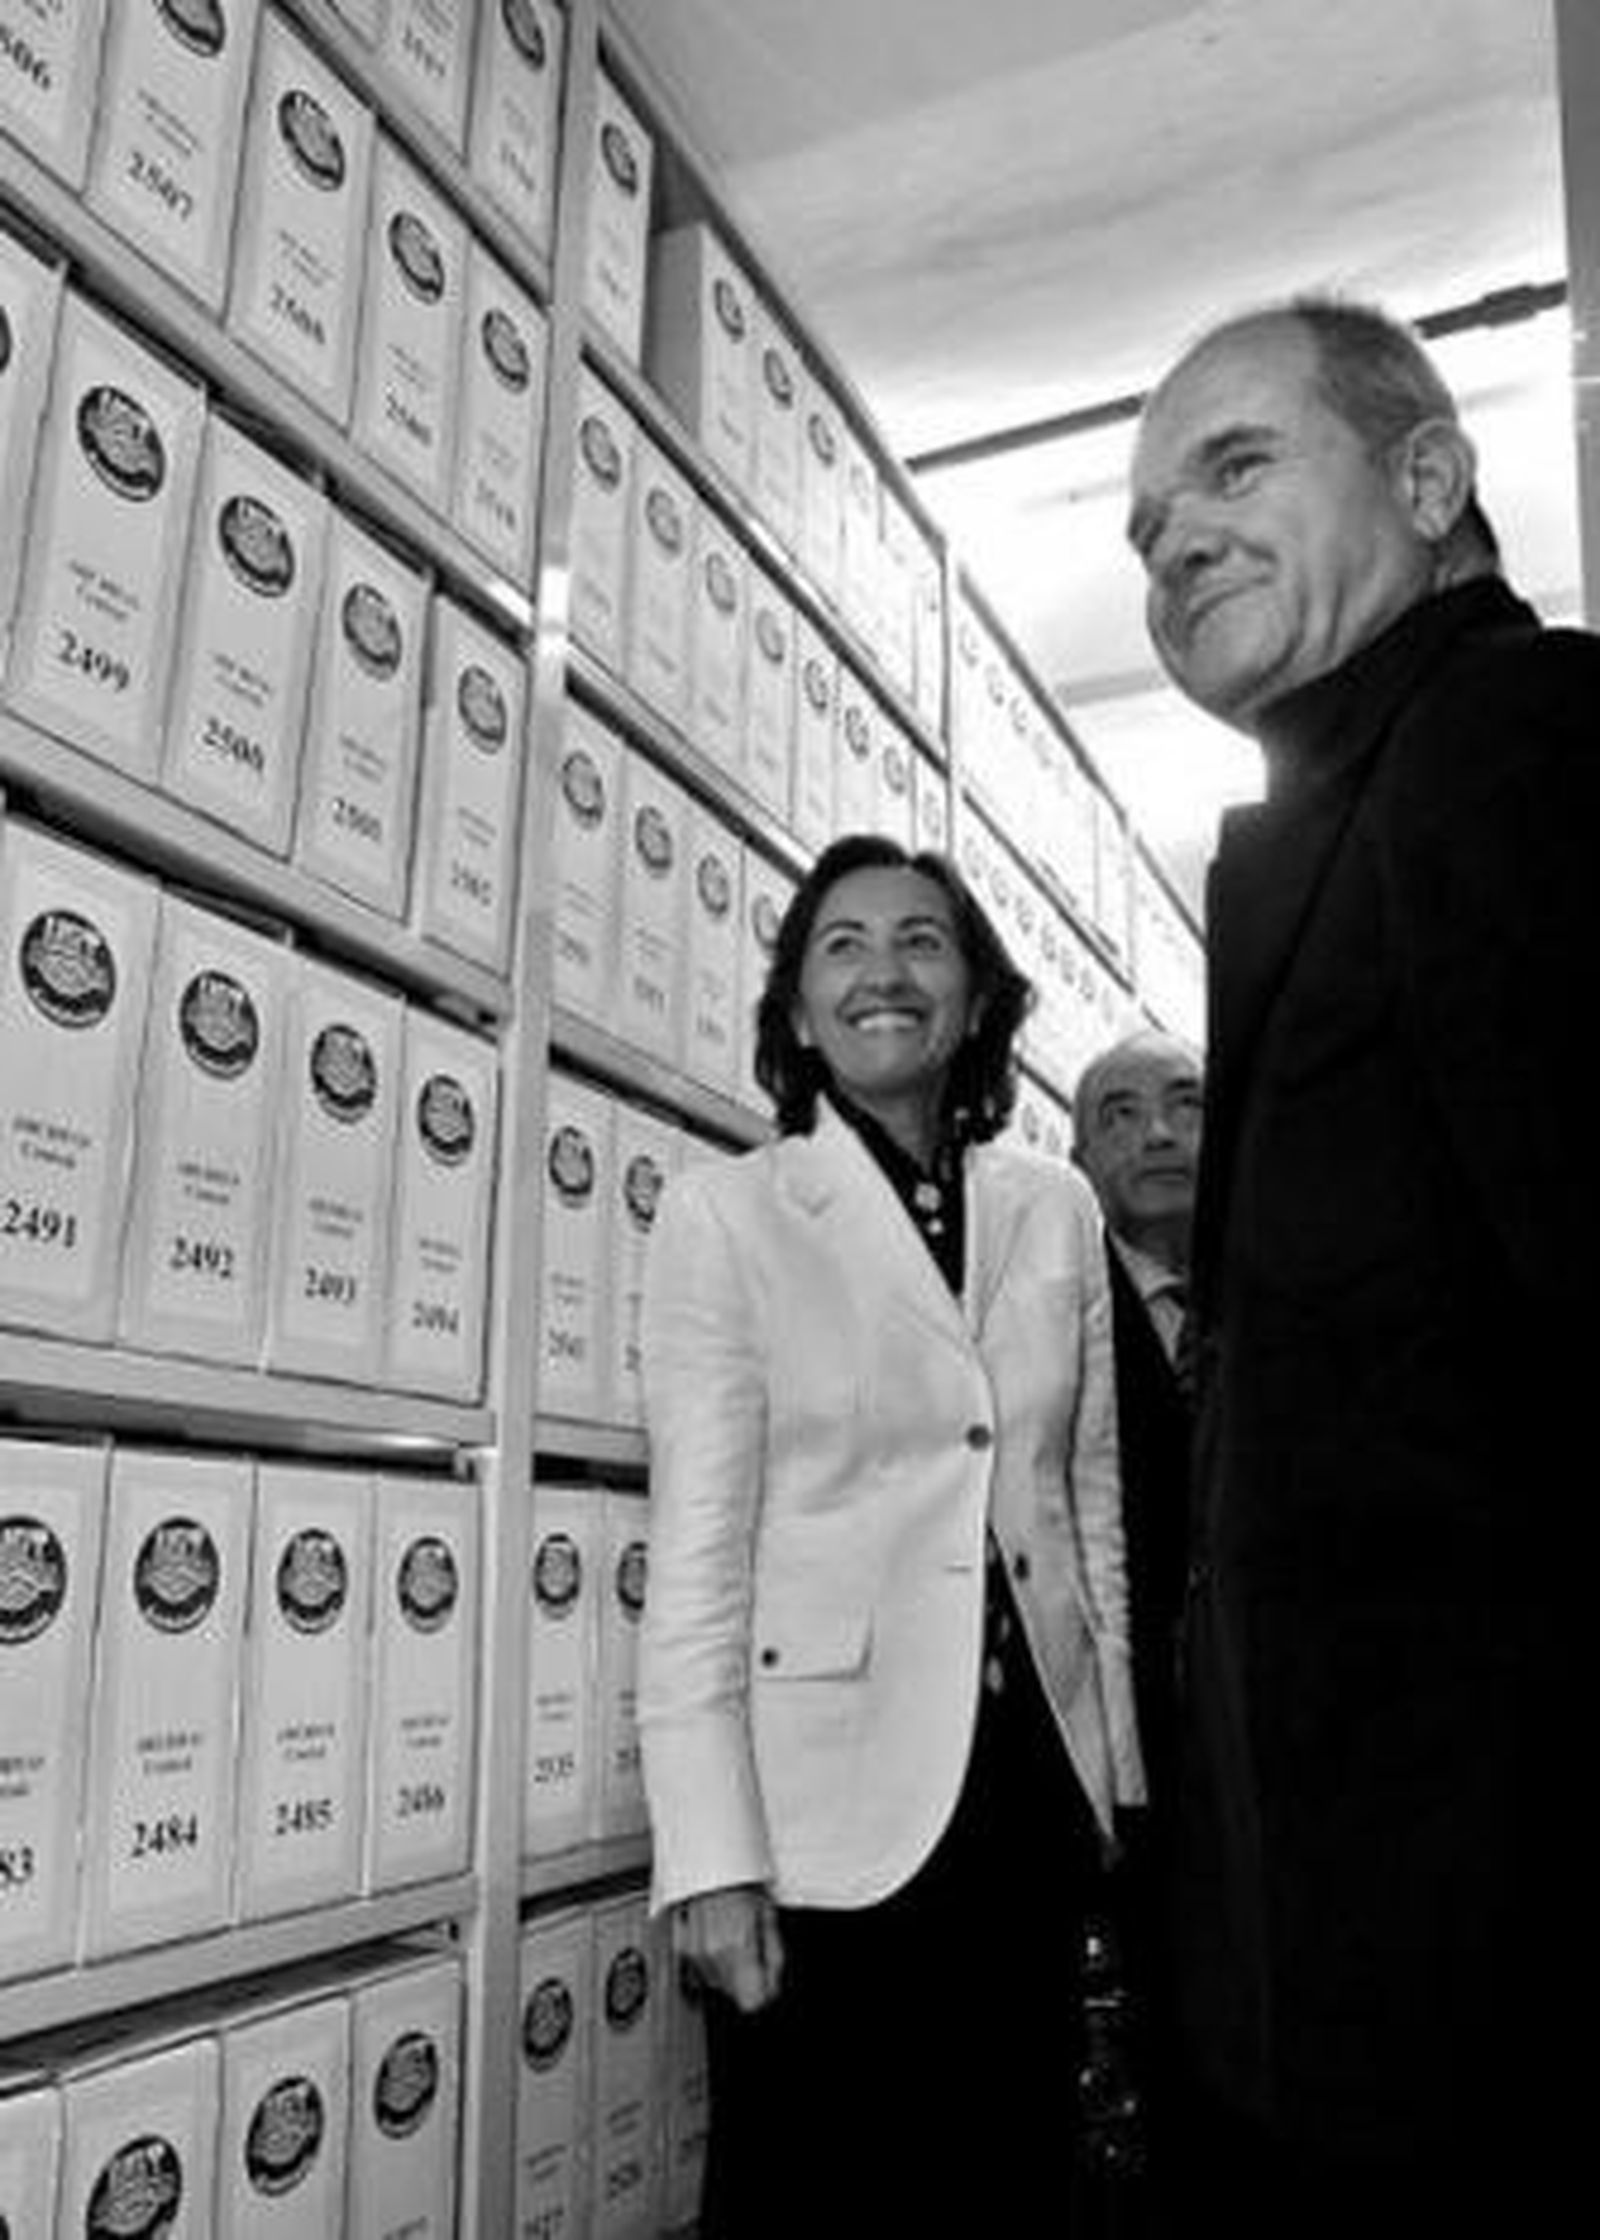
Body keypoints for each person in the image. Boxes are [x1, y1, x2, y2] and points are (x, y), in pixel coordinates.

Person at [1125, 293, 1597, 2234]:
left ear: (1425, 480)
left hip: (1494, 1953)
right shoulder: (1339, 810)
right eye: (1147, 527)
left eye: (1234, 466)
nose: (1174, 544)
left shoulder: (1514, 736)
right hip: (1350, 1929)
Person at [637, 832, 1144, 2236]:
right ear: (798, 1013)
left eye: (923, 941)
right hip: (826, 1811)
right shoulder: (730, 1214)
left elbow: (1083, 1499)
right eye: (842, 944)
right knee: (814, 2194)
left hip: (1027, 1795)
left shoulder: (1054, 1204)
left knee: (1012, 2184)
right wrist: (710, 1856)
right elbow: (697, 1555)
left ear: (974, 998)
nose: (885, 970)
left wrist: (1116, 1778)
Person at [1072, 1027, 1204, 2230]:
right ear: (1078, 1155)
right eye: (1120, 1112)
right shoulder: (1055, 1318)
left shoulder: (1297, 1301)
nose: (1158, 1131)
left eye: (1185, 1103)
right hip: (1131, 1767)